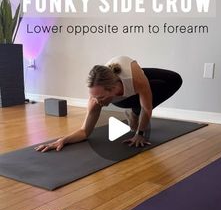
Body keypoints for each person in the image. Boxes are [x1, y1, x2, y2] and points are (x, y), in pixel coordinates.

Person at [35, 55, 182, 151]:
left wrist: (140, 134)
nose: (97, 101)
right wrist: (63, 140)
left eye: (101, 97)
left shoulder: (136, 80)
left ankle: (134, 113)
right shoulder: (96, 99)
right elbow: (85, 132)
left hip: (133, 80)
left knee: (174, 80)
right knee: (142, 96)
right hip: (122, 99)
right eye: (94, 97)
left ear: (112, 89)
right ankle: (132, 111)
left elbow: (147, 107)